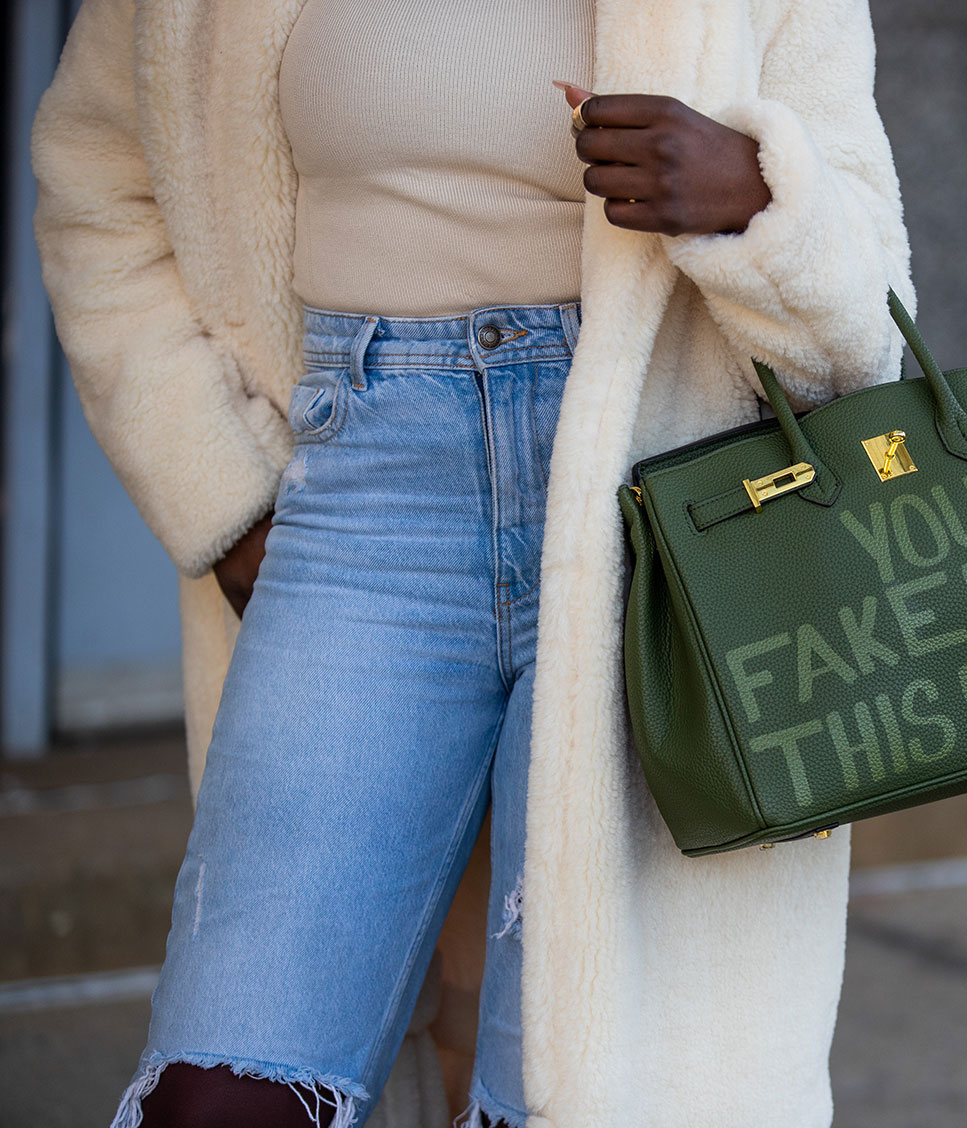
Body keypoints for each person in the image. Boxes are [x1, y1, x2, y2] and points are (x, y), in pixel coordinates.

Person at [32, 1, 912, 1125]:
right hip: (363, 504)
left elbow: (868, 330)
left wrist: (756, 197)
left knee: (575, 1094)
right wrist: (216, 490)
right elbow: (96, 182)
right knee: (221, 1094)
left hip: (659, 523)